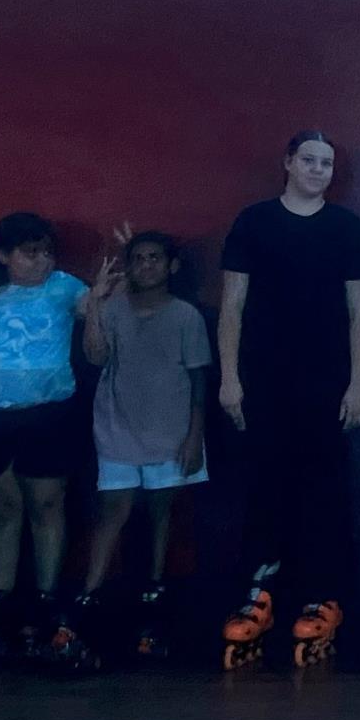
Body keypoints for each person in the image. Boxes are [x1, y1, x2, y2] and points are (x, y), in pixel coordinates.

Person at [217, 129, 360, 669]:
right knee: (264, 484)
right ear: (288, 163)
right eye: (308, 160)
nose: (317, 170)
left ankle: (323, 594)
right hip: (264, 378)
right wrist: (229, 378)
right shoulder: (254, 222)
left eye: (327, 163)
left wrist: (358, 383)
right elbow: (232, 307)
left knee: (324, 488)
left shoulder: (347, 229)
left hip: (327, 382)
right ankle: (259, 590)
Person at [0, 212, 92, 662]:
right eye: (31, 253)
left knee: (47, 505)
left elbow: (101, 313)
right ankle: (0, 598)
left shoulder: (67, 288)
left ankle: (47, 598)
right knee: (3, 509)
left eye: (48, 252)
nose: (42, 261)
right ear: (5, 255)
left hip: (48, 415)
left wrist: (107, 291)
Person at [75, 230, 210, 661]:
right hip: (117, 426)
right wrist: (95, 303)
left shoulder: (186, 315)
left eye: (155, 258)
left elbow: (198, 381)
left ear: (171, 266)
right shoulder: (113, 309)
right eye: (138, 259)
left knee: (161, 512)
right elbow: (96, 357)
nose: (146, 265)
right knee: (113, 510)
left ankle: (154, 593)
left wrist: (194, 437)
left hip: (170, 431)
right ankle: (89, 598)